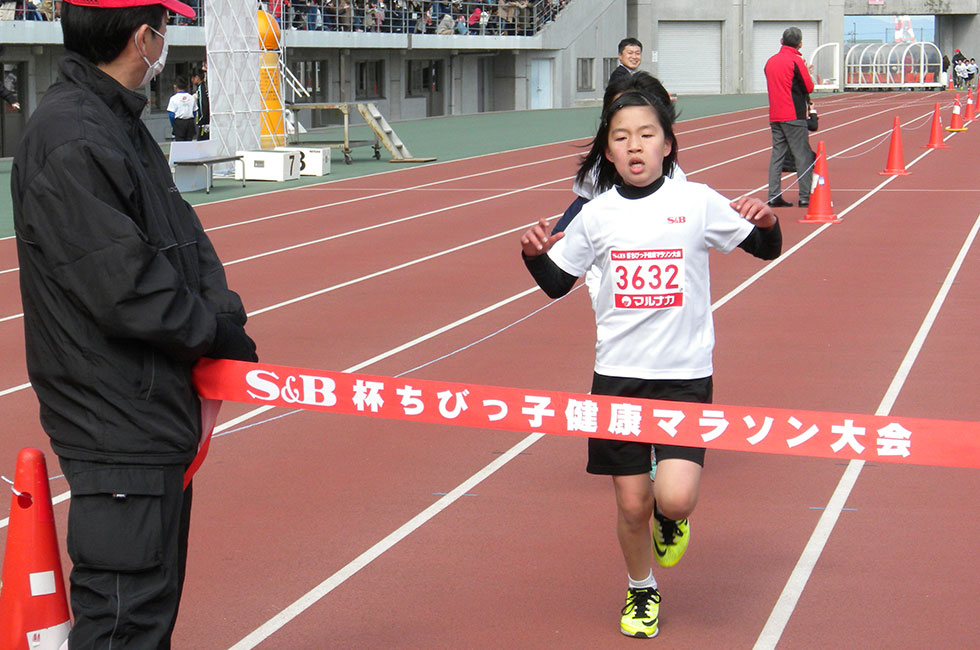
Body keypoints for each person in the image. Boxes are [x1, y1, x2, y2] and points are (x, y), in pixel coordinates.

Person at [10, 0, 258, 646]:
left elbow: (185, 243)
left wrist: (222, 322)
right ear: (142, 37)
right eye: (165, 27)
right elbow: (124, 284)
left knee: (145, 621)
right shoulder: (71, 138)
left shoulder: (114, 125)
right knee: (124, 627)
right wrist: (210, 330)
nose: (167, 39)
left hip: (147, 429)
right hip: (118, 433)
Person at [520, 89, 781, 639]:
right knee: (631, 503)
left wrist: (767, 221)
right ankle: (642, 589)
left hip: (684, 378)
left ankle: (672, 521)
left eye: (645, 134)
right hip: (618, 378)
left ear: (668, 144)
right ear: (608, 153)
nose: (634, 145)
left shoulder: (697, 201)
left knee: (675, 496)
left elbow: (764, 248)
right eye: (620, 137)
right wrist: (533, 255)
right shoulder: (596, 215)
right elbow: (557, 285)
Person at [764, 26, 814, 208]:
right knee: (802, 155)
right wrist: (806, 70)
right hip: (793, 114)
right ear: (800, 44)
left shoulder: (770, 61)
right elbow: (808, 87)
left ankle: (774, 194)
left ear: (781, 41)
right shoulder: (796, 60)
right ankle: (804, 196)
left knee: (777, 155)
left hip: (775, 114)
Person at [167, 75, 196, 141]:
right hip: (190, 122)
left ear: (175, 86)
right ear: (186, 86)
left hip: (179, 123)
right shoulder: (191, 97)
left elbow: (171, 115)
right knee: (189, 142)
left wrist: (174, 124)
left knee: (180, 143)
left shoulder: (173, 98)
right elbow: (194, 112)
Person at [191, 63, 210, 140]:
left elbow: (203, 104)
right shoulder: (204, 86)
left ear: (197, 78)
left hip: (204, 124)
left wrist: (201, 120)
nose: (192, 80)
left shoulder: (201, 88)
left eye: (193, 78)